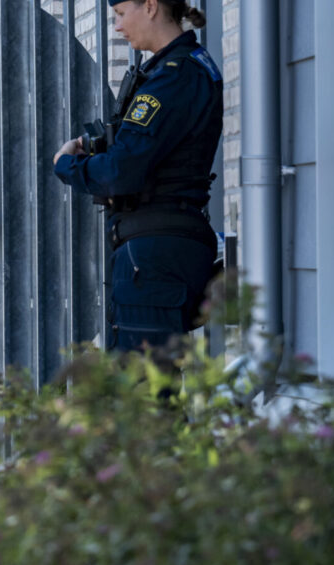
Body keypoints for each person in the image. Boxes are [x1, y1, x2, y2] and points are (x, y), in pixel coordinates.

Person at [53, 0, 222, 352]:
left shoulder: (174, 77)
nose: (116, 26)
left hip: (154, 258)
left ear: (149, 6)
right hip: (158, 250)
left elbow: (121, 172)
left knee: (143, 395)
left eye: (119, 14)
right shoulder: (174, 69)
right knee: (143, 393)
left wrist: (66, 166)